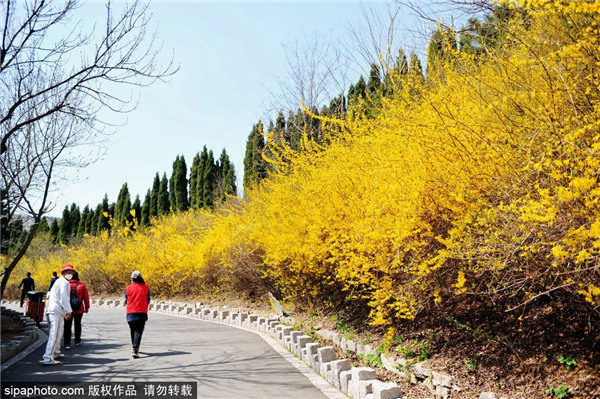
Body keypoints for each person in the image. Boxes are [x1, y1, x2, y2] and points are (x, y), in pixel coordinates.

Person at [41, 264, 74, 365]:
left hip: (53, 310)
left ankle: (55, 352)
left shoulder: (59, 281)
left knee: (58, 332)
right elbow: (63, 298)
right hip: (56, 311)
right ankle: (48, 357)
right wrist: (69, 310)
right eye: (67, 272)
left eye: (71, 272)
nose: (70, 274)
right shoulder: (64, 283)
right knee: (55, 334)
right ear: (63, 273)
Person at [124, 270, 150, 358]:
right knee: (139, 331)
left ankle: (134, 347)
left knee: (133, 330)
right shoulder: (146, 287)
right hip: (142, 312)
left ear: (132, 278)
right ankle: (135, 348)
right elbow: (148, 300)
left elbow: (125, 300)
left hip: (130, 312)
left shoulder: (128, 288)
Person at [63, 272, 90, 349]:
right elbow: (86, 297)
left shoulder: (66, 284)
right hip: (79, 309)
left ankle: (67, 343)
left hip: (67, 309)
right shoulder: (82, 286)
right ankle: (77, 341)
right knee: (78, 324)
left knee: (67, 325)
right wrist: (87, 307)